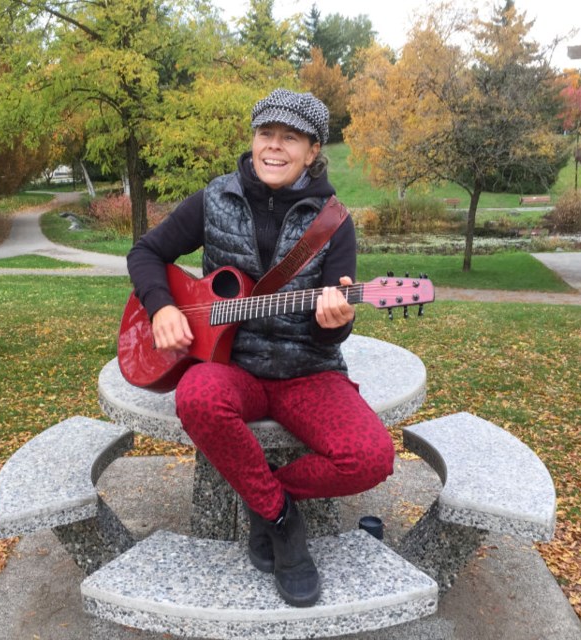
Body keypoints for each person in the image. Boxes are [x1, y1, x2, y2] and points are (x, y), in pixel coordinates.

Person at [126, 88, 396, 607]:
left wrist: (335, 322)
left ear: (313, 150)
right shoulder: (214, 198)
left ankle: (267, 497)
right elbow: (146, 252)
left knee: (371, 457)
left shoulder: (333, 222)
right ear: (253, 139)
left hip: (308, 372)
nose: (274, 147)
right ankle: (283, 526)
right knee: (197, 397)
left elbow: (329, 332)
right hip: (232, 367)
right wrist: (161, 306)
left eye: (289, 138)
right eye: (265, 134)